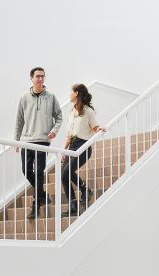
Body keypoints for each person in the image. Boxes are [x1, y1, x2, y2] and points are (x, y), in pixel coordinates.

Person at [13, 67, 63, 219]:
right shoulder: (24, 97)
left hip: (43, 140)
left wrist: (55, 130)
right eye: (37, 76)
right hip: (27, 140)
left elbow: (59, 116)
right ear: (31, 78)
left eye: (42, 76)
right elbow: (19, 120)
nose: (40, 79)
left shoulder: (51, 97)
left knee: (39, 171)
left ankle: (36, 202)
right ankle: (42, 194)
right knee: (26, 170)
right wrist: (16, 140)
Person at [62, 84, 106, 216]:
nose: (69, 94)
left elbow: (94, 127)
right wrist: (63, 151)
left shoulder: (88, 111)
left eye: (71, 92)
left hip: (83, 146)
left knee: (65, 173)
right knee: (63, 176)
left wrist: (99, 129)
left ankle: (85, 189)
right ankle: (74, 205)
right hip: (72, 146)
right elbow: (69, 134)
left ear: (76, 93)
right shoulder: (71, 112)